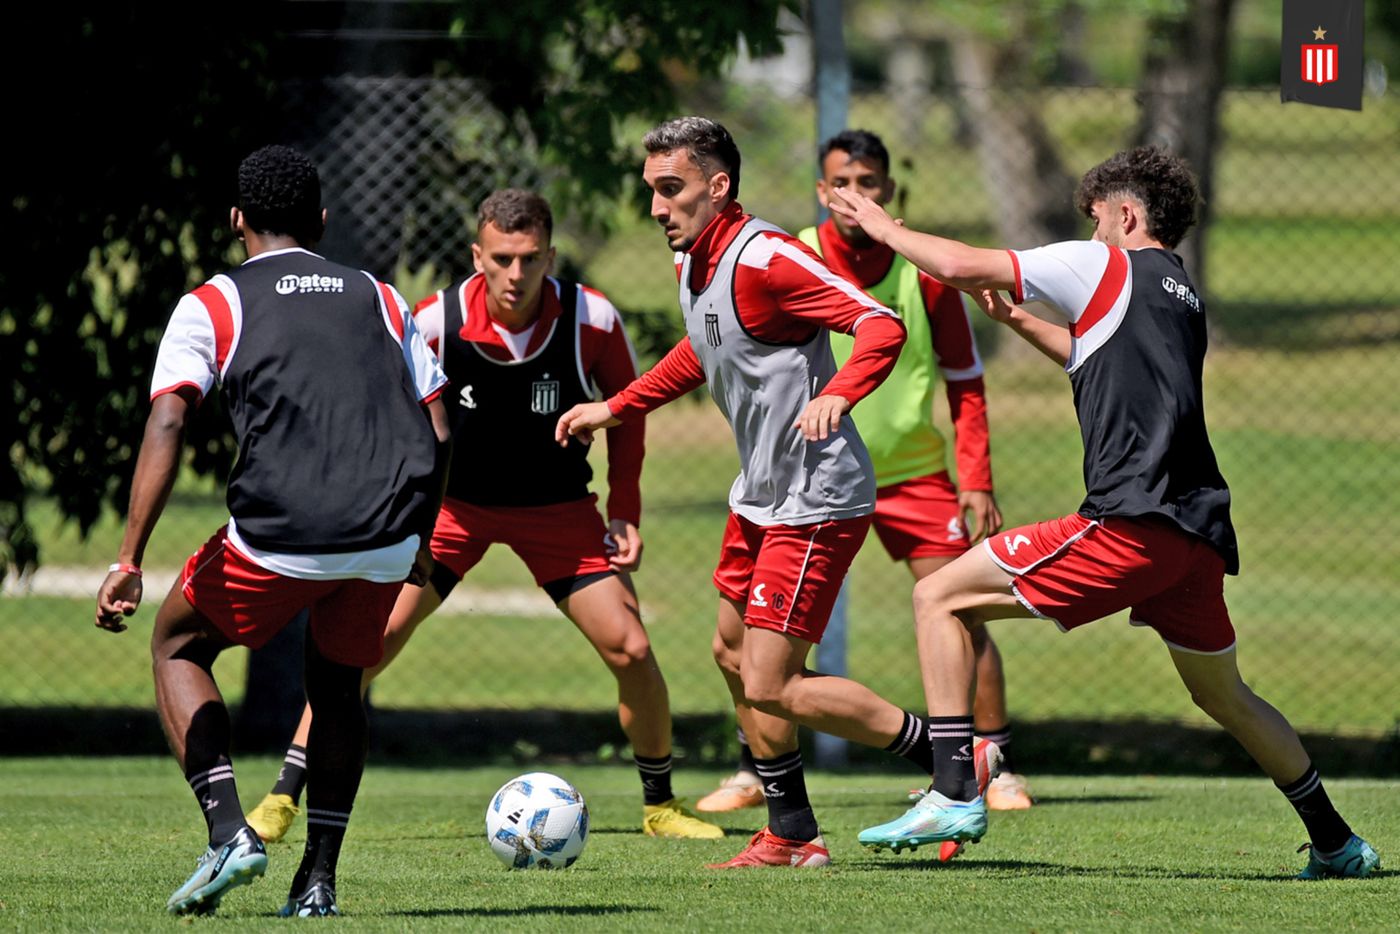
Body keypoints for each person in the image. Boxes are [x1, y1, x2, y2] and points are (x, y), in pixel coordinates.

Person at [830, 145, 1380, 878]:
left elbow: (960, 263)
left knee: (937, 596)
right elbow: (1092, 354)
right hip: (1195, 533)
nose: (1089, 236)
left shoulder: (1106, 263)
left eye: (1095, 221)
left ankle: (954, 789)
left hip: (1130, 524)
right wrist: (1018, 320)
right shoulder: (1179, 289)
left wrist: (882, 227)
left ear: (1126, 215)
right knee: (1227, 695)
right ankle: (1339, 842)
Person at [557, 116, 988, 870]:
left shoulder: (768, 258)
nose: (658, 207)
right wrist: (615, 406)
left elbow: (878, 325)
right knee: (731, 652)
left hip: (816, 498)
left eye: (672, 190)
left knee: (772, 679)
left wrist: (841, 396)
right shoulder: (696, 261)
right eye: (652, 191)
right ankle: (791, 832)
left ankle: (954, 763)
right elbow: (705, 348)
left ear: (717, 187)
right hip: (759, 495)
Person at [245, 188, 722, 843]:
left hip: (557, 510)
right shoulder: (435, 321)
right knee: (364, 649)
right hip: (454, 512)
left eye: (530, 259)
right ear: (478, 255)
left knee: (632, 648)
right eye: (502, 259)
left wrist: (625, 512)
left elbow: (628, 416)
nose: (516, 275)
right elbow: (391, 419)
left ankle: (660, 805)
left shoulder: (592, 320)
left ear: (551, 255)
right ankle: (282, 798)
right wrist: (393, 518)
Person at [94, 144, 453, 916]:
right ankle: (317, 881)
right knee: (336, 687)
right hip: (385, 534)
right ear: (322, 221)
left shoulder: (214, 301)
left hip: (275, 537)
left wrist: (129, 556)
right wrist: (420, 540)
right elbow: (442, 430)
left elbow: (168, 416)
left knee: (178, 645)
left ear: (236, 220)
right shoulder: (382, 298)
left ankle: (231, 830)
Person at [694, 129, 1034, 816]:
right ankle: (754, 771)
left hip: (913, 475)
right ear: (823, 192)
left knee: (962, 612)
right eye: (841, 184)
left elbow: (965, 379)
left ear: (888, 191)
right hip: (807, 480)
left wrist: (976, 478)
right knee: (756, 647)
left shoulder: (921, 270)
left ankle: (993, 766)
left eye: (869, 183)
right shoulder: (786, 256)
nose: (856, 195)